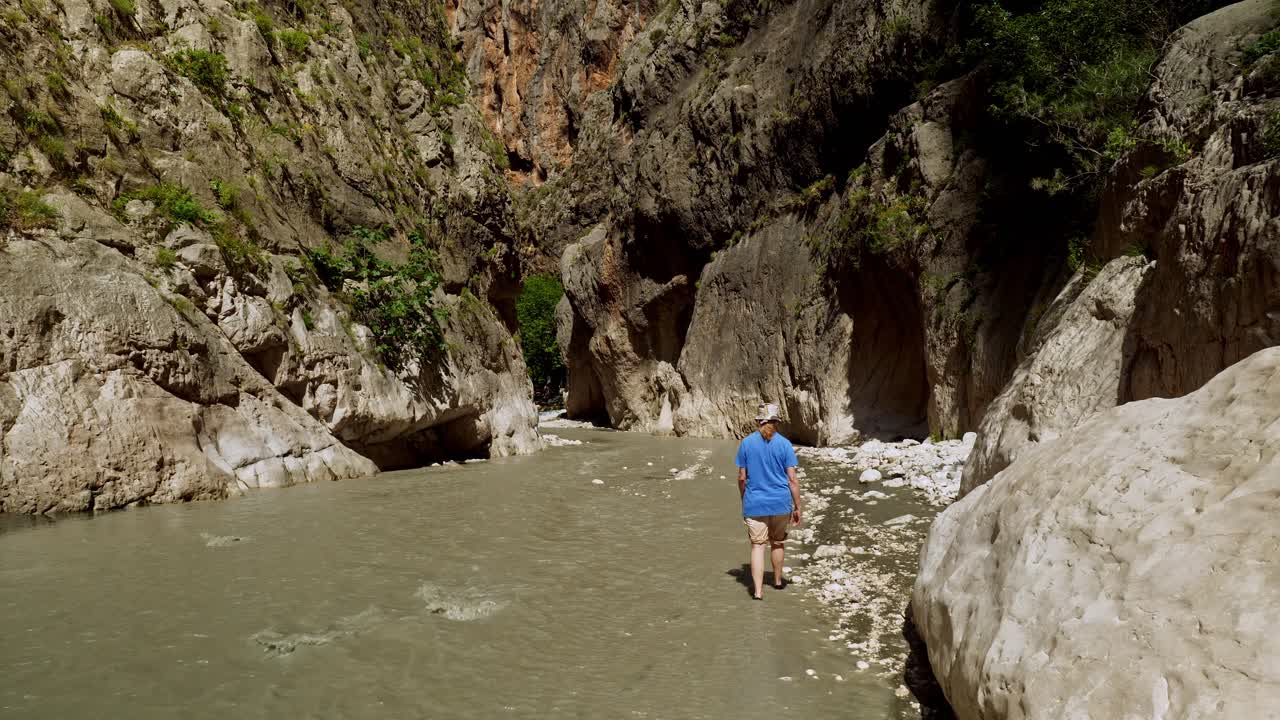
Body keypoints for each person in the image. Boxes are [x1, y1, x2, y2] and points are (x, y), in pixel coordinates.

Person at [734, 403, 800, 600]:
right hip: (780, 502)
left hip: (755, 503)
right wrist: (797, 506)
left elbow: (741, 478)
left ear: (758, 421)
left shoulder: (746, 443)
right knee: (778, 542)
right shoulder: (785, 444)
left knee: (758, 546)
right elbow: (793, 480)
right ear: (776, 422)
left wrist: (744, 498)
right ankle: (778, 581)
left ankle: (758, 591)